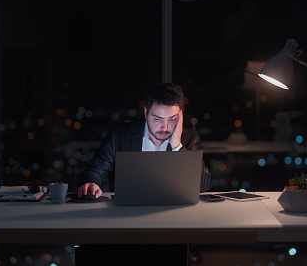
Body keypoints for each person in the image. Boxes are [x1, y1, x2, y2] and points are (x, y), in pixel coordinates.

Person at [77, 82, 211, 198]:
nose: (165, 128)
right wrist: (92, 183)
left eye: (172, 119)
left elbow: (202, 185)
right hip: (126, 214)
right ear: (146, 113)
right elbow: (96, 171)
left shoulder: (189, 138)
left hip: (172, 215)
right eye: (157, 119)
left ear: (180, 115)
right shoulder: (120, 135)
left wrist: (177, 146)